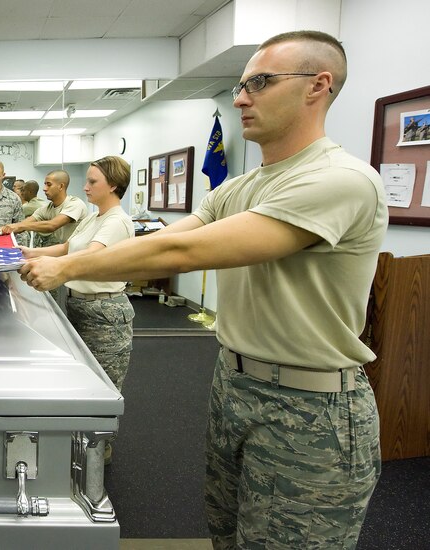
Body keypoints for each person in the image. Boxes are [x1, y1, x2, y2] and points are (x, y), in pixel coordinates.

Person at [20, 30, 385, 549]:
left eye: (259, 82)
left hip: (311, 408)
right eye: (240, 84)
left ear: (317, 86)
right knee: (227, 534)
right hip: (234, 384)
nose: (240, 98)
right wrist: (59, 258)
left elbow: (182, 255)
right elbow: (169, 237)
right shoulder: (238, 187)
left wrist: (64, 268)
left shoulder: (339, 179)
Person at [19, 157, 135, 404]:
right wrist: (30, 253)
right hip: (76, 305)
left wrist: (51, 266)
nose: (85, 187)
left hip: (104, 313)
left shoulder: (117, 221)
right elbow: (67, 247)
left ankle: (100, 443)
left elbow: (91, 254)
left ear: (113, 185)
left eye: (92, 181)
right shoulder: (94, 218)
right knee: (81, 381)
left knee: (103, 387)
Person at [0, 170, 87, 249]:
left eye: (49, 185)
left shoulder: (75, 204)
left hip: (82, 254)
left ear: (61, 186)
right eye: (45, 184)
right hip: (66, 251)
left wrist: (20, 226)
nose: (44, 189)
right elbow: (24, 224)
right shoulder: (47, 209)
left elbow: (52, 225)